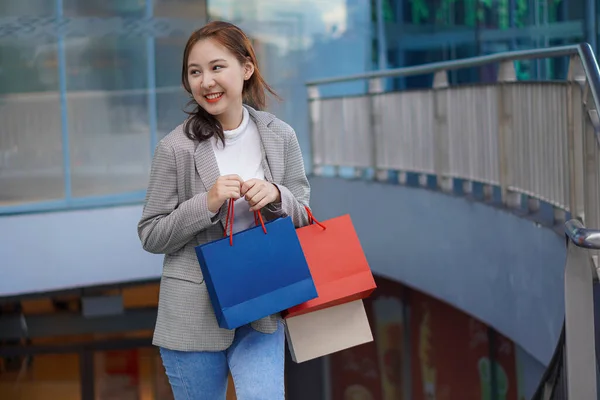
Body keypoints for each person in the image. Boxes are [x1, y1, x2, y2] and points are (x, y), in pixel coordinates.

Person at [137, 21, 310, 400]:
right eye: (195, 72)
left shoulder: (280, 135)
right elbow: (151, 233)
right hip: (192, 318)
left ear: (245, 69)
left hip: (261, 307)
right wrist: (207, 203)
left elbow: (305, 214)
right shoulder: (175, 149)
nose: (206, 81)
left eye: (217, 67)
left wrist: (278, 195)